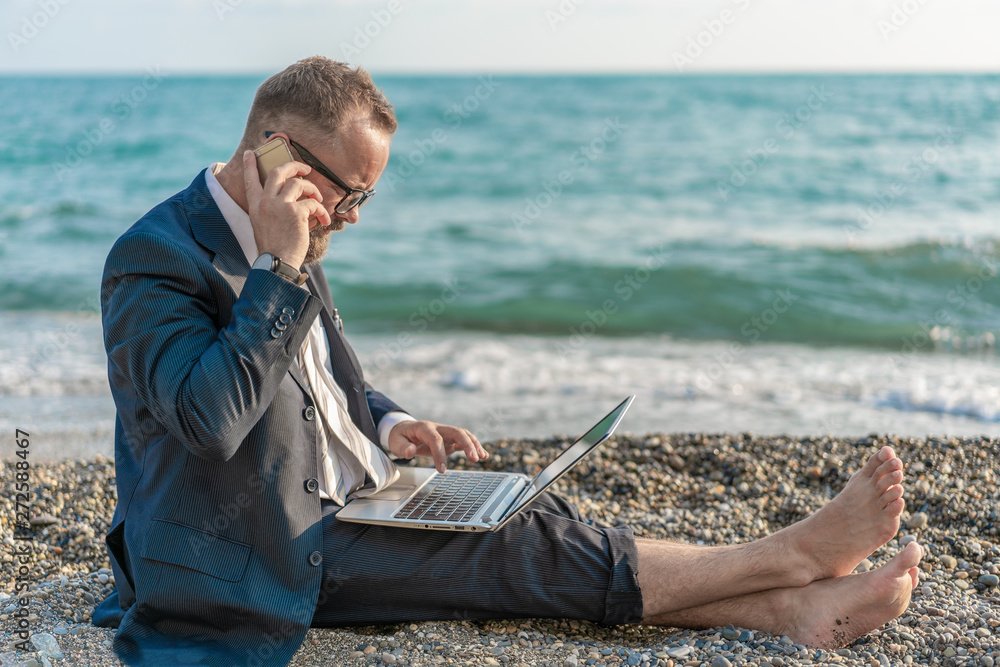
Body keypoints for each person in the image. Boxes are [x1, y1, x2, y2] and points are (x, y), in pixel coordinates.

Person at [93, 56, 923, 666]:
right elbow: (209, 418)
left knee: (527, 523)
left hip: (349, 495)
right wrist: (278, 270)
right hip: (262, 543)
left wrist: (390, 419)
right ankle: (795, 558)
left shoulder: (292, 232)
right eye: (345, 191)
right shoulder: (156, 258)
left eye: (364, 199)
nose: (349, 217)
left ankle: (790, 612)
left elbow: (314, 379)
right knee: (515, 550)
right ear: (276, 150)